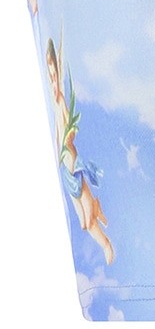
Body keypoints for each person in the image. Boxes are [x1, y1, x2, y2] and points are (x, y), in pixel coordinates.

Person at [45, 38, 114, 265]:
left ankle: (106, 245)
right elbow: (58, 132)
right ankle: (96, 207)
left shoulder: (62, 102)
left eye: (54, 76)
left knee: (89, 219)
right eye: (50, 77)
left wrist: (69, 136)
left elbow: (70, 128)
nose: (53, 82)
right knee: (83, 224)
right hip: (65, 171)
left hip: (73, 166)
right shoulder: (53, 102)